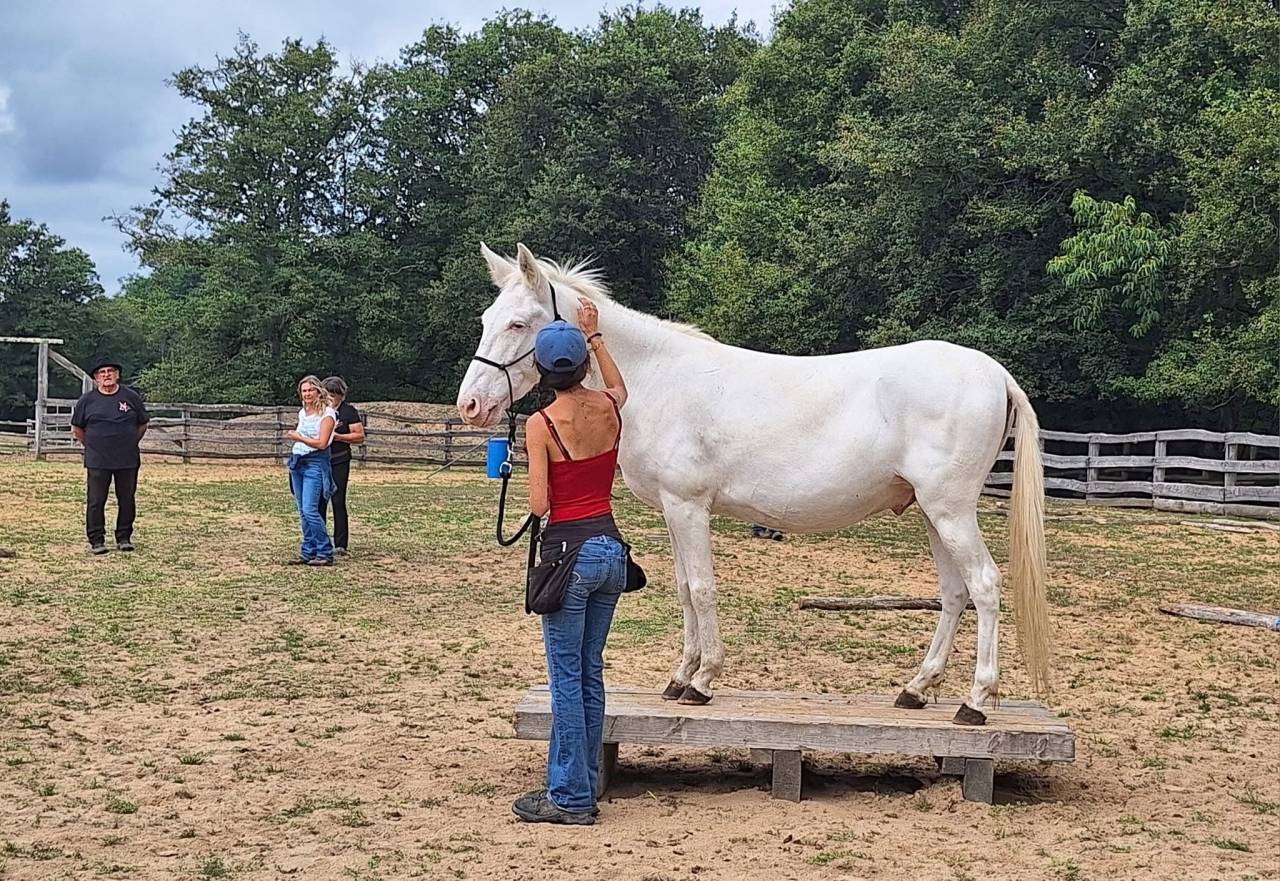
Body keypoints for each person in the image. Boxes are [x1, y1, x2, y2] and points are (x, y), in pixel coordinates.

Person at [512, 298, 630, 827]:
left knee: (565, 676)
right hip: (610, 548)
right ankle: (583, 783)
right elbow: (622, 390)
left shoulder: (541, 424)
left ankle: (569, 797)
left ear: (540, 370)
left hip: (569, 552)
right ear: (583, 364)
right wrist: (596, 335)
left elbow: (541, 506)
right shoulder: (607, 408)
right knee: (589, 673)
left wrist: (525, 467)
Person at [70, 358, 150, 555]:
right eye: (102, 372)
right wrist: (92, 445)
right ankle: (96, 539)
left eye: (110, 371)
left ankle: (124, 537)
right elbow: (77, 428)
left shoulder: (131, 397)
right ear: (96, 378)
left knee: (127, 499)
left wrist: (130, 442)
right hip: (98, 459)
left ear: (118, 375)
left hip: (127, 458)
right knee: (96, 500)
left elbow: (142, 424)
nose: (106, 375)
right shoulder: (87, 401)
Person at [286, 375, 337, 566]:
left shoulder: (327, 414)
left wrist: (299, 438)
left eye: (310, 390)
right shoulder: (303, 412)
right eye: (304, 390)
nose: (307, 394)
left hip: (315, 462)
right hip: (298, 461)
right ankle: (308, 550)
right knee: (302, 510)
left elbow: (322, 443)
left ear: (318, 391)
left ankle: (325, 551)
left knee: (310, 509)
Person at [318, 376, 364, 555]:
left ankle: (340, 543)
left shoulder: (348, 412)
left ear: (341, 395)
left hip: (339, 459)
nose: (331, 398)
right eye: (328, 394)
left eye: (334, 395)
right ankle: (320, 540)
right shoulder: (319, 411)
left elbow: (359, 436)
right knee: (319, 501)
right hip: (321, 460)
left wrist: (338, 436)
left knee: (338, 500)